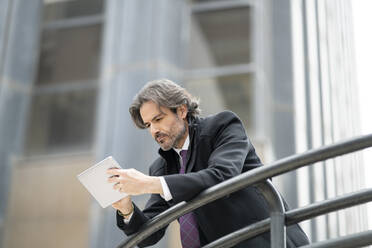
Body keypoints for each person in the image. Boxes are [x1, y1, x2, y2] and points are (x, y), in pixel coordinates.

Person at [107, 79, 309, 248]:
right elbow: (150, 233)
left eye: (158, 119)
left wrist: (150, 183)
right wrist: (127, 209)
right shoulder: (161, 167)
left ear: (182, 110)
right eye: (148, 125)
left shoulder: (222, 126)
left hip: (269, 242)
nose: (154, 130)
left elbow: (223, 176)